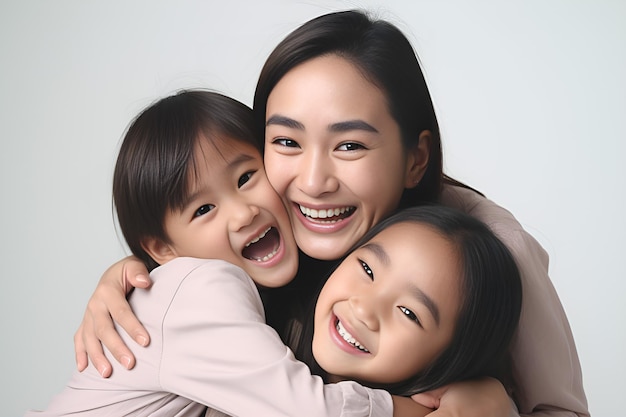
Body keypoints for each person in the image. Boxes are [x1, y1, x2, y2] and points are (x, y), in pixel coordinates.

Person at [74, 10, 589, 417]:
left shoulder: (492, 244)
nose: (314, 181)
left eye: (349, 146)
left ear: (415, 158)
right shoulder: (266, 228)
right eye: (286, 140)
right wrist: (133, 275)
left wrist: (496, 402)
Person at [26, 90, 430, 416]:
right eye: (203, 210)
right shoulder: (203, 285)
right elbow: (303, 410)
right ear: (162, 248)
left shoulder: (246, 297)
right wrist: (433, 411)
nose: (242, 213)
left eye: (246, 177)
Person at [298, 205, 522, 400]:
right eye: (367, 269)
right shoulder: (268, 338)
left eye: (408, 313)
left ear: (450, 361)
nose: (364, 309)